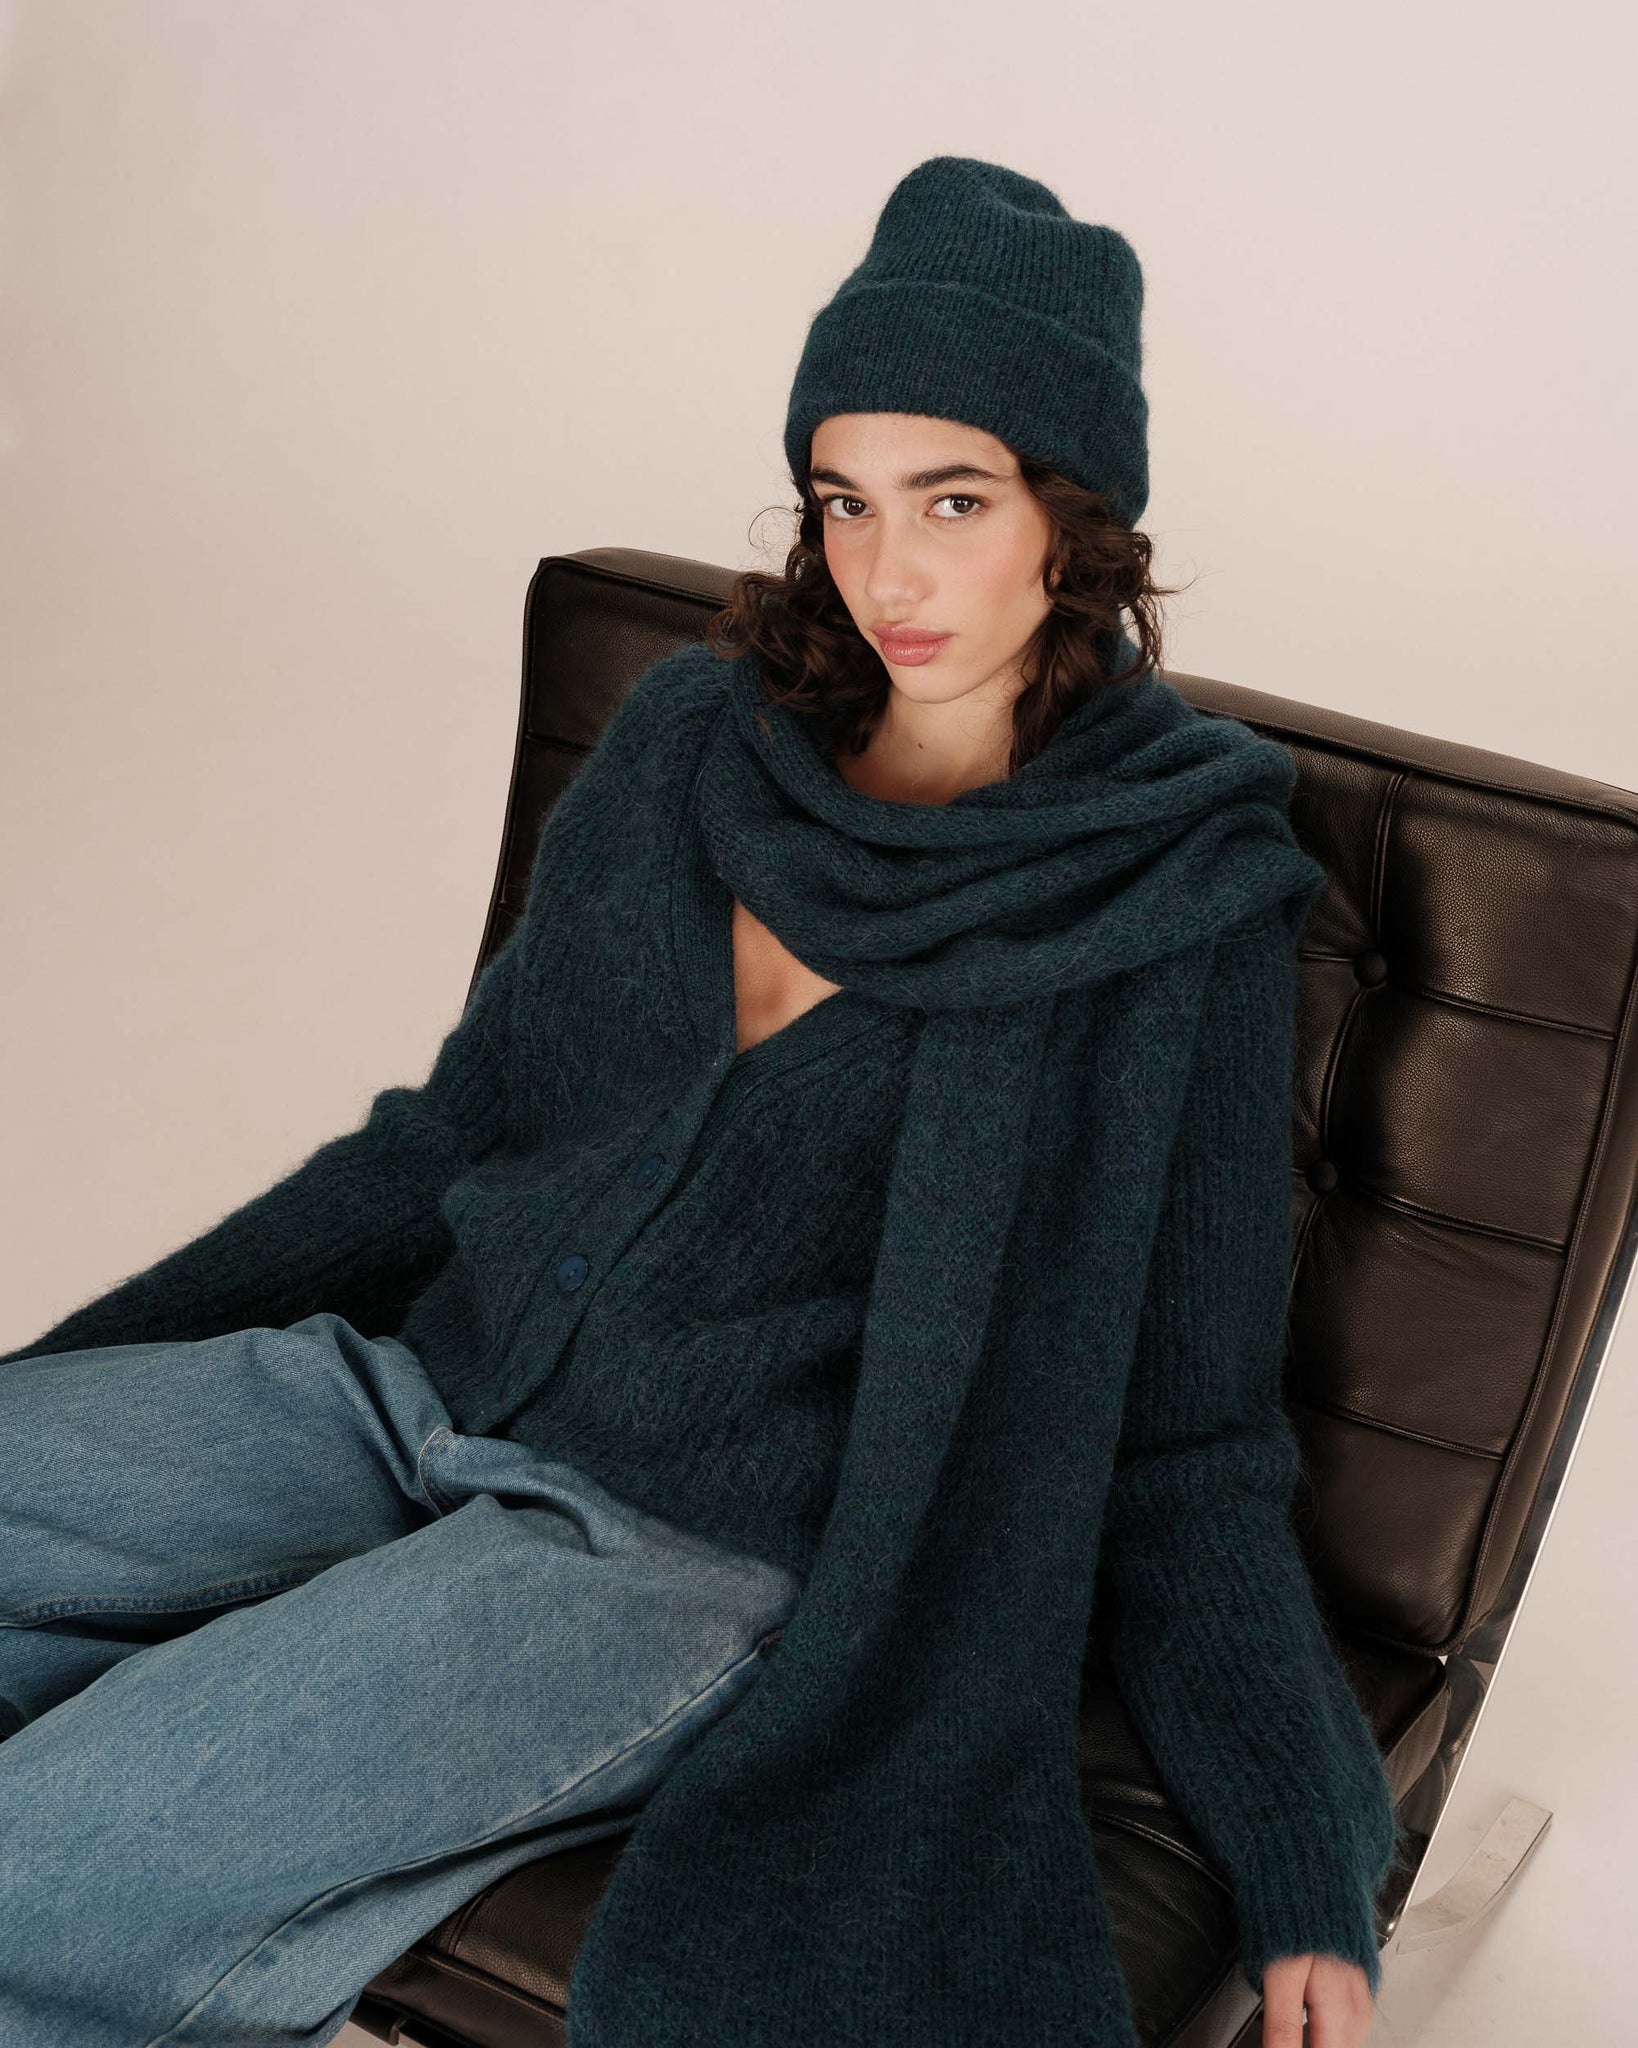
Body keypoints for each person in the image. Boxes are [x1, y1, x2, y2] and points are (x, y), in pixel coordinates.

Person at [0, 156, 1406, 2048]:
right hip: (410, 1393)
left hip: (671, 1555)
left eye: (954, 501)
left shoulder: (1170, 898)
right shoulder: (690, 740)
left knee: (48, 1861)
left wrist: (1308, 1860)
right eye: (843, 499)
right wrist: (78, 1387)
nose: (887, 572)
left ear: (1071, 523)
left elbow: (1183, 1435)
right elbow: (450, 1141)